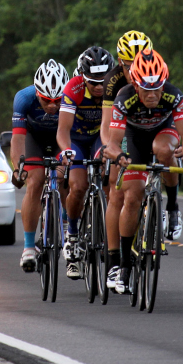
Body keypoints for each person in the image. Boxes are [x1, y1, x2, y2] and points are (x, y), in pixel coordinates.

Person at [104, 49, 183, 294]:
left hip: (162, 133)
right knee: (133, 196)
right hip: (133, 139)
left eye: (158, 88)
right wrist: (120, 156)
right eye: (147, 90)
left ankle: (172, 208)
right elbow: (113, 142)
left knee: (164, 150)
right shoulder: (123, 98)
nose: (153, 95)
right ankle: (124, 267)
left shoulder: (174, 96)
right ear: (135, 85)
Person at [57, 46, 115, 279]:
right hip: (77, 140)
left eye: (104, 81)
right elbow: (62, 129)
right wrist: (67, 150)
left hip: (102, 138)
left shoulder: (116, 87)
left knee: (112, 186)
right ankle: (72, 234)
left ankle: (111, 240)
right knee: (78, 186)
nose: (100, 87)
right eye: (93, 82)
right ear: (83, 77)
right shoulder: (74, 88)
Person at [10, 59, 69, 272]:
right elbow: (17, 139)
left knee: (64, 176)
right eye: (46, 100)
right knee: (34, 182)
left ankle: (64, 224)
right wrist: (19, 167)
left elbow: (75, 135)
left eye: (57, 100)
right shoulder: (23, 98)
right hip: (33, 139)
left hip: (61, 139)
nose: (52, 106)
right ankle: (28, 247)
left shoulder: (72, 98)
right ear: (37, 94)